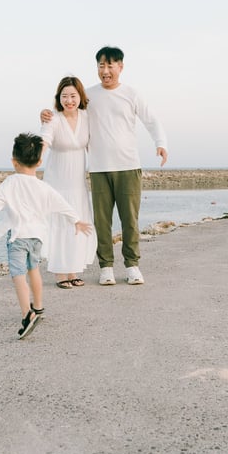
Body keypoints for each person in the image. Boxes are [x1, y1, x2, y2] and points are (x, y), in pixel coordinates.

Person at [42, 46, 167, 286]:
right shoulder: (87, 96)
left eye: (110, 65)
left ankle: (132, 266)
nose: (105, 70)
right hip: (98, 169)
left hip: (128, 165)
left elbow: (151, 120)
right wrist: (45, 113)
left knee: (130, 220)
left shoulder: (131, 93)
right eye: (101, 65)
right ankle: (106, 267)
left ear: (121, 67)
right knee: (101, 221)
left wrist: (161, 143)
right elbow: (64, 110)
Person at [0, 133, 93, 339]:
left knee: (18, 275)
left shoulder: (10, 183)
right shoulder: (43, 187)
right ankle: (38, 307)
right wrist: (76, 220)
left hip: (18, 238)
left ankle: (26, 314)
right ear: (39, 162)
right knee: (34, 270)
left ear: (14, 161)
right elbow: (62, 203)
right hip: (37, 237)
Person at [39, 76, 97, 289]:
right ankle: (59, 273)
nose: (69, 100)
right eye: (64, 96)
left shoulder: (86, 117)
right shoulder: (53, 118)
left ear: (80, 96)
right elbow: (44, 139)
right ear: (59, 98)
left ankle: (73, 270)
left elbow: (93, 146)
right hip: (57, 183)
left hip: (78, 183)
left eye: (73, 96)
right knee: (60, 224)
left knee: (77, 224)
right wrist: (36, 157)